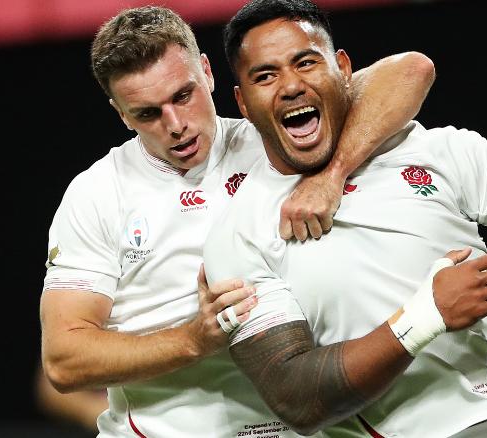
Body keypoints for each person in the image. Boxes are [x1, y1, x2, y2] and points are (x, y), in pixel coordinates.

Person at [203, 0, 487, 436]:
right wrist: (425, 316)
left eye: (306, 63)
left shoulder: (439, 152)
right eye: (266, 75)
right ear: (242, 103)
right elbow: (296, 397)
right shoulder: (240, 231)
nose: (291, 86)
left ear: (343, 68)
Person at [38, 5, 437, 437]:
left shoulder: (275, 142)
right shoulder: (98, 193)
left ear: (207, 73)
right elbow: (63, 358)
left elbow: (410, 71)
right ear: (121, 115)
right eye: (148, 114)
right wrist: (194, 339)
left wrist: (332, 174)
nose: (175, 125)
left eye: (183, 95)